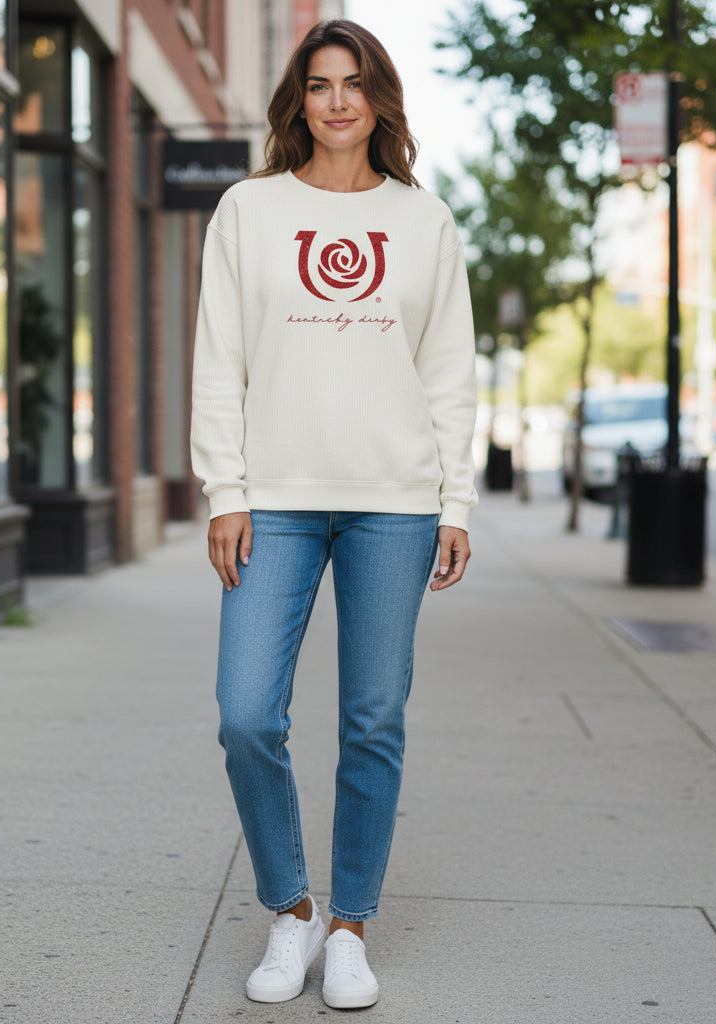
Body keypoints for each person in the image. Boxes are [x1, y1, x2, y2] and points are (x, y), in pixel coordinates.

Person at [190, 18, 478, 1010]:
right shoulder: (248, 210)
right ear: (297, 102)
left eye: (354, 83)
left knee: (372, 717)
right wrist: (224, 490)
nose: (338, 100)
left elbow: (448, 375)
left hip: (393, 504)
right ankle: (292, 906)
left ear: (379, 98)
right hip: (272, 499)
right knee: (243, 714)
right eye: (319, 84)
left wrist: (456, 500)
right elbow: (217, 360)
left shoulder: (423, 222)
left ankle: (350, 923)